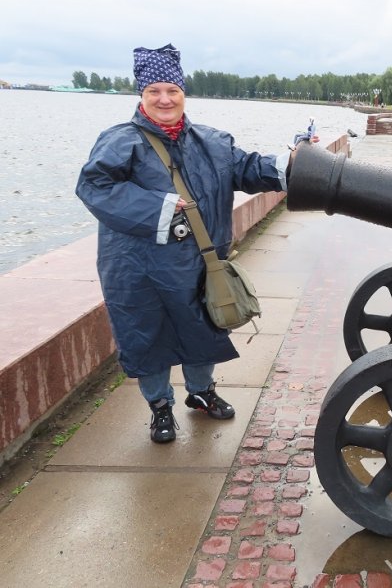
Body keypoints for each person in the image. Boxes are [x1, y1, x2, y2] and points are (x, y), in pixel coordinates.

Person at [76, 44, 298, 443]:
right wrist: (157, 206)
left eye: (172, 91)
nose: (164, 99)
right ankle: (160, 407)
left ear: (183, 92)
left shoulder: (212, 142)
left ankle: (201, 393)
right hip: (136, 268)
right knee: (148, 337)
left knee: (202, 331)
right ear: (141, 95)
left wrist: (294, 162)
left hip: (197, 264)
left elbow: (248, 168)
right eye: (154, 91)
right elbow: (94, 186)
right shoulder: (120, 141)